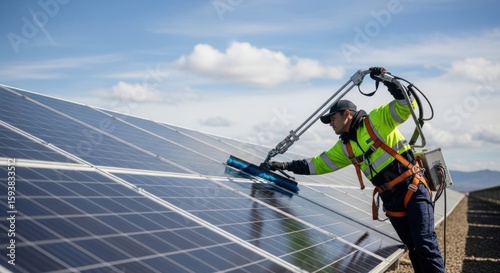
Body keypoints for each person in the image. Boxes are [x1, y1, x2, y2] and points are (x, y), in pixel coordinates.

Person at [269, 67, 445, 273]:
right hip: (391, 200)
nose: (330, 124)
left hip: (412, 189)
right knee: (414, 247)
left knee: (425, 243)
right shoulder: (345, 147)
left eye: (332, 118)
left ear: (347, 114)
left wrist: (389, 81)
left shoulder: (378, 119)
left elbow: (407, 105)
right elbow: (318, 164)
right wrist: (285, 165)